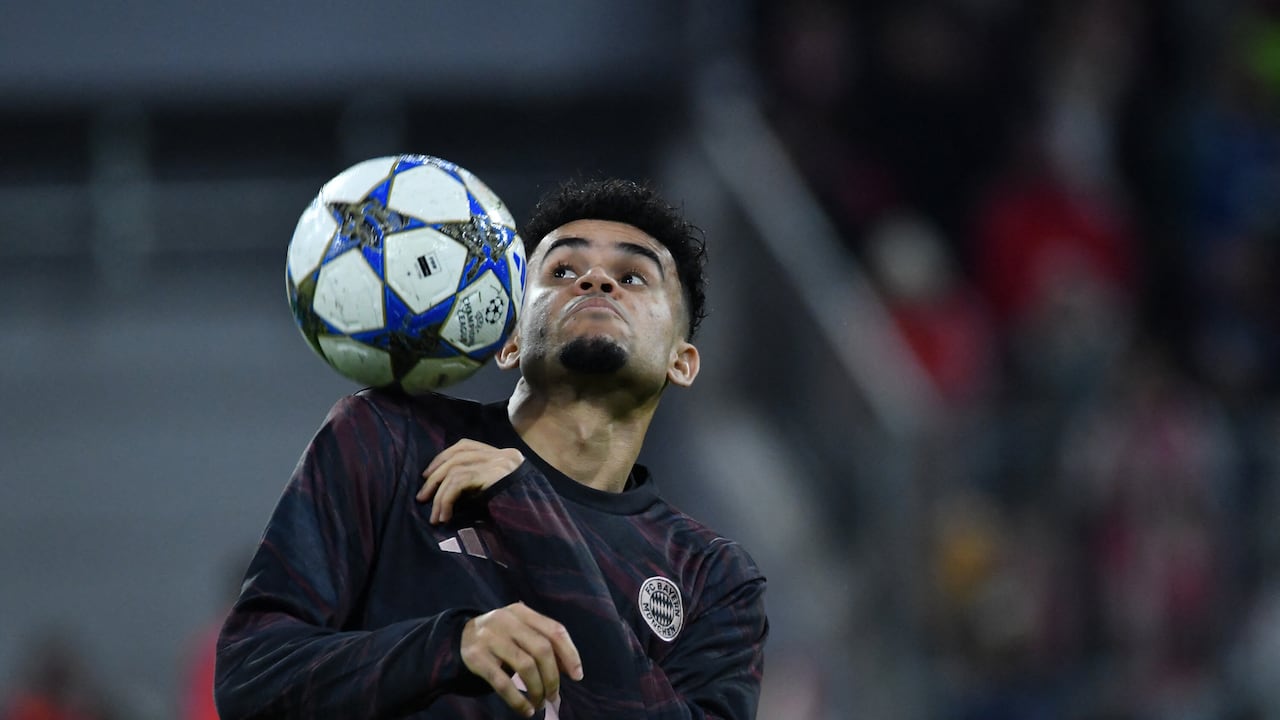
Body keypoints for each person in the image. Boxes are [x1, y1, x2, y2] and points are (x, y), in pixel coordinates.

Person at [214, 178, 769, 719]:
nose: (597, 280)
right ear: (510, 341)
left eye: (633, 276)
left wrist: (528, 507)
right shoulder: (390, 438)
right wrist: (450, 646)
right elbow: (252, 676)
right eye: (562, 270)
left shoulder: (710, 577)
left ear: (682, 361)